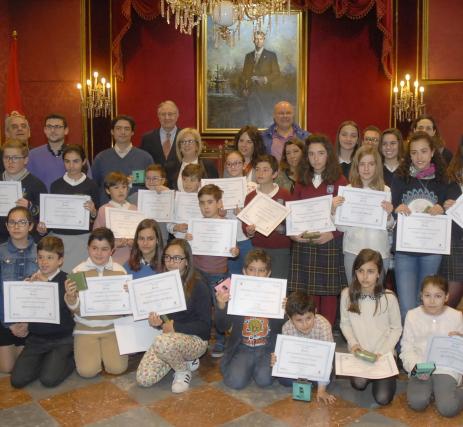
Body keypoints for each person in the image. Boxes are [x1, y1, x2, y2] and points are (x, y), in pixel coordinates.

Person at [136, 239, 211, 393]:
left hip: (195, 339)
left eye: (177, 258)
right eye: (168, 257)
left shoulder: (199, 286)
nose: (171, 262)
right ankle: (182, 359)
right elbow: (162, 321)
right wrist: (156, 322)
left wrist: (176, 327)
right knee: (144, 378)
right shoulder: (160, 283)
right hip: (169, 340)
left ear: (187, 262)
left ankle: (182, 371)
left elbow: (205, 328)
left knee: (161, 342)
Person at [289, 134, 347, 326]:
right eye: (311, 154)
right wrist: (294, 236)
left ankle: (326, 332)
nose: (316, 158)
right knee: (308, 292)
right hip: (305, 244)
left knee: (329, 293)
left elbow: (346, 218)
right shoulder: (300, 181)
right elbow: (292, 214)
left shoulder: (340, 181)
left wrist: (332, 234)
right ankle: (309, 331)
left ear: (328, 155)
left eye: (320, 153)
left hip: (329, 243)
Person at [391, 131, 448, 320]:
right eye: (414, 152)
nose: (419, 157)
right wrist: (396, 208)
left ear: (432, 152)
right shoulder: (400, 177)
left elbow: (451, 208)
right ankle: (404, 348)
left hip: (431, 250)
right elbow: (391, 208)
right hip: (404, 250)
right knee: (407, 305)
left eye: (423, 151)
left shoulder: (443, 180)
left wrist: (443, 208)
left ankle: (424, 347)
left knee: (427, 303)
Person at [10, 236, 75, 388]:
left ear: (60, 260)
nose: (44, 262)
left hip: (62, 339)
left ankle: (71, 359)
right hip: (36, 340)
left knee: (48, 380)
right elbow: (25, 310)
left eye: (50, 258)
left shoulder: (67, 280)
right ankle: (47, 361)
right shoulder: (30, 280)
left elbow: (68, 307)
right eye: (40, 257)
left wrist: (47, 286)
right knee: (17, 380)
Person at [340, 249, 402, 406]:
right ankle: (372, 376)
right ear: (355, 272)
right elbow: (345, 323)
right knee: (358, 384)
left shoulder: (389, 298)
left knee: (383, 398)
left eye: (370, 271)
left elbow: (396, 329)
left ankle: (383, 376)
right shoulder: (347, 295)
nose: (365, 277)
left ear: (379, 273)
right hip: (360, 352)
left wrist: (383, 352)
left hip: (383, 353)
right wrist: (353, 344)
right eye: (360, 271)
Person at [64, 227, 128, 378]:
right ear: (88, 248)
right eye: (94, 248)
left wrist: (127, 296)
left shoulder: (120, 272)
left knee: (117, 368)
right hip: (86, 328)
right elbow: (76, 310)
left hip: (112, 328)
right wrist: (71, 298)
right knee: (87, 372)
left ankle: (103, 354)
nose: (99, 253)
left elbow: (124, 308)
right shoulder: (77, 272)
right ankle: (89, 354)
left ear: (112, 250)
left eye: (104, 249)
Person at [216, 249, 284, 390]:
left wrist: (285, 310)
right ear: (244, 271)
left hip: (266, 347)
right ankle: (241, 366)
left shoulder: (276, 293)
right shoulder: (234, 293)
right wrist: (222, 306)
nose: (257, 274)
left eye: (261, 270)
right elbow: (221, 327)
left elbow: (283, 328)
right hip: (243, 347)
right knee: (235, 382)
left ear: (268, 273)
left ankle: (255, 368)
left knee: (264, 380)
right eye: (252, 270)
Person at [400, 275, 463, 417]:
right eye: (427, 295)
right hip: (421, 366)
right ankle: (436, 391)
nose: (432, 301)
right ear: (421, 296)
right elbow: (407, 348)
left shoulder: (456, 316)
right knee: (417, 403)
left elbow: (458, 353)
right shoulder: (412, 315)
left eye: (438, 296)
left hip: (445, 368)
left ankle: (445, 392)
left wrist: (460, 340)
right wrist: (416, 368)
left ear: (446, 297)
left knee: (448, 408)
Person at [190, 184, 239, 358]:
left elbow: (234, 250)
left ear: (219, 203)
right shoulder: (196, 225)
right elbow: (188, 251)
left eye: (210, 202)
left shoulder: (228, 225)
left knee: (221, 308)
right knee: (201, 307)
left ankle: (220, 339)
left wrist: (235, 252)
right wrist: (189, 241)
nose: (206, 206)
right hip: (198, 273)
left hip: (220, 274)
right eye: (202, 203)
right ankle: (199, 339)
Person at [332, 145, 394, 281]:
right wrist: (334, 210)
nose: (366, 169)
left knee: (376, 297)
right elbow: (341, 227)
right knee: (354, 296)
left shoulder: (385, 190)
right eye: (362, 164)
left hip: (379, 252)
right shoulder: (348, 190)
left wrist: (389, 215)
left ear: (377, 166)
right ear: (356, 166)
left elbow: (389, 226)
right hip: (353, 251)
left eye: (371, 164)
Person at [41, 144, 99, 272]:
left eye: (76, 161)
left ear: (84, 162)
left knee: (79, 278)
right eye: (67, 161)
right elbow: (51, 214)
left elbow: (96, 217)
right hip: (59, 238)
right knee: (58, 275)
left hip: (82, 239)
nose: (71, 166)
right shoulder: (56, 185)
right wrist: (45, 225)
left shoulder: (92, 185)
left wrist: (94, 212)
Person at [271, 291, 336, 404]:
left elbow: (326, 360)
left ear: (315, 312)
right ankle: (308, 381)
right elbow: (288, 357)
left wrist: (321, 390)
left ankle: (312, 382)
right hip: (299, 362)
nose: (305, 324)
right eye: (299, 320)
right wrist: (277, 360)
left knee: (328, 376)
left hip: (319, 362)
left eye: (308, 318)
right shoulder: (286, 328)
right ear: (290, 319)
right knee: (283, 379)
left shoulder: (324, 325)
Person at [0, 207, 38, 373]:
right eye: (12, 223)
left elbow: (44, 293)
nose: (16, 226)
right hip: (5, 320)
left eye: (22, 222)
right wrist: (9, 324)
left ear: (30, 226)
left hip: (32, 322)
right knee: (7, 368)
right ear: (7, 226)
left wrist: (28, 322)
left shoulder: (41, 252)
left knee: (23, 369)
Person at [243, 154, 292, 279]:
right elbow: (245, 225)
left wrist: (280, 228)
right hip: (257, 249)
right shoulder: (250, 197)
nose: (260, 173)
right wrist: (249, 231)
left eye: (265, 169)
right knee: (257, 286)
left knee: (278, 285)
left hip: (281, 250)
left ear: (275, 174)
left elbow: (293, 224)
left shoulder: (285, 195)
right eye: (257, 169)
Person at [91, 115, 153, 203]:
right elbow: (94, 187)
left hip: (137, 211)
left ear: (132, 132)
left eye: (127, 129)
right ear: (112, 131)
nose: (122, 132)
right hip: (108, 211)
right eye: (118, 128)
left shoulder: (145, 158)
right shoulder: (101, 158)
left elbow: (152, 185)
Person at [0, 139, 47, 243]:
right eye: (6, 157)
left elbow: (45, 218)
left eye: (15, 158)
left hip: (27, 242)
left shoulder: (36, 185)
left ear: (25, 160)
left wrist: (30, 207)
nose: (10, 161)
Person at [93, 172, 137, 265]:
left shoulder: (135, 209)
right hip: (110, 259)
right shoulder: (103, 210)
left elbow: (140, 235)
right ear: (108, 191)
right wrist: (114, 244)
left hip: (132, 259)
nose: (121, 191)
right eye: (116, 188)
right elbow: (96, 237)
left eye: (124, 187)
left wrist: (134, 242)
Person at [440, 139, 463, 308]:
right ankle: (443, 335)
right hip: (455, 244)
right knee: (450, 303)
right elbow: (437, 204)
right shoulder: (450, 175)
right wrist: (444, 206)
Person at [222, 151, 254, 275]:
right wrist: (220, 213)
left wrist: (243, 213)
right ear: (225, 166)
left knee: (250, 275)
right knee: (232, 276)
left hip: (247, 238)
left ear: (244, 164)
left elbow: (259, 216)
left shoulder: (253, 187)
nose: (233, 167)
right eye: (229, 164)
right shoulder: (219, 187)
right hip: (229, 239)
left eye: (237, 163)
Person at [241, 31, 280, 127]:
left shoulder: (271, 55)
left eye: (261, 39)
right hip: (251, 93)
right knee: (252, 121)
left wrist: (264, 79)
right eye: (256, 39)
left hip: (265, 94)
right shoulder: (248, 56)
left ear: (264, 40)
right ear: (253, 41)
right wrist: (245, 88)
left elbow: (276, 73)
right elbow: (245, 75)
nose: (258, 41)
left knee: (265, 120)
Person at [140, 101, 181, 186]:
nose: (167, 117)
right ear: (158, 116)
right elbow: (142, 164)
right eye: (163, 114)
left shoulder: (185, 137)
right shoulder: (147, 138)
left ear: (177, 115)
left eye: (170, 114)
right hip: (153, 189)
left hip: (179, 189)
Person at [128, 164, 170, 244]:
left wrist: (168, 194)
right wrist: (128, 185)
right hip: (141, 239)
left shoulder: (168, 196)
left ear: (163, 181)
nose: (151, 181)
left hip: (161, 238)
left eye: (155, 178)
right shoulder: (135, 197)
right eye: (148, 178)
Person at [27, 114, 70, 191]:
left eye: (57, 127)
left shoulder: (77, 154)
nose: (53, 130)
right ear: (45, 130)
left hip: (70, 201)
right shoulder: (32, 155)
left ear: (66, 130)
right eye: (49, 127)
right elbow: (27, 185)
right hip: (40, 201)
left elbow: (86, 182)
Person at [166, 164, 203, 240]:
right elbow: (168, 224)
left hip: (200, 240)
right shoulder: (176, 199)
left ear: (200, 182)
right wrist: (176, 227)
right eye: (185, 179)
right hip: (180, 241)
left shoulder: (204, 200)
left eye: (192, 180)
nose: (188, 184)